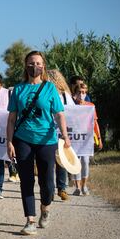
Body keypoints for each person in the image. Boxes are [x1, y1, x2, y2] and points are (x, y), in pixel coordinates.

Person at [6, 51, 71, 235]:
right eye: (31, 63)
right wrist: (9, 141)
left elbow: (59, 114)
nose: (35, 66)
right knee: (26, 180)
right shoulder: (18, 89)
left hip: (47, 140)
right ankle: (30, 220)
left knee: (47, 183)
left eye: (38, 63)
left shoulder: (50, 88)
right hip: (23, 139)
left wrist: (65, 135)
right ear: (26, 66)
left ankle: (45, 207)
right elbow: (11, 119)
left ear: (43, 66)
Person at [48, 69, 75, 201]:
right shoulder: (45, 93)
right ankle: (52, 189)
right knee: (49, 162)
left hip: (60, 133)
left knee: (61, 160)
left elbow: (72, 113)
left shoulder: (65, 96)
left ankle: (61, 188)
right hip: (47, 132)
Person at [71, 82, 103, 196]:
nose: (81, 94)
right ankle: (77, 187)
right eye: (79, 92)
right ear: (75, 93)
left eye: (84, 92)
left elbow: (95, 123)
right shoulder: (71, 106)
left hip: (86, 138)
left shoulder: (90, 106)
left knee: (85, 161)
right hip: (74, 138)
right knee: (76, 162)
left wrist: (99, 138)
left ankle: (84, 186)